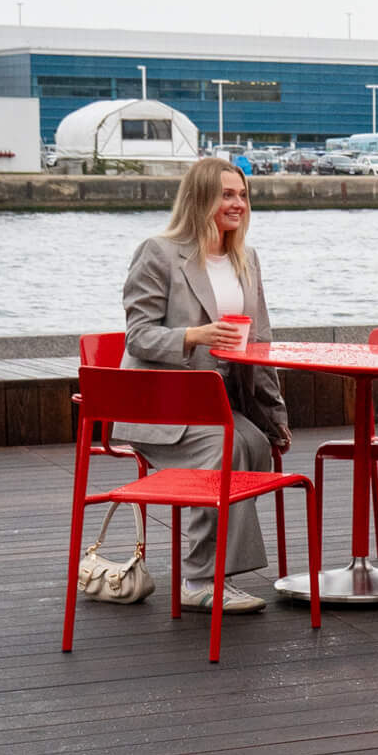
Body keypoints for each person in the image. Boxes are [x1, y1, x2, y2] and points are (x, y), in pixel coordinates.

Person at [117, 157, 292, 614]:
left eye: (242, 195)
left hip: (216, 407)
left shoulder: (245, 258)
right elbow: (138, 335)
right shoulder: (159, 252)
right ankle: (200, 578)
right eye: (226, 195)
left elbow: (260, 344)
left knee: (252, 443)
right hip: (161, 406)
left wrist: (275, 418)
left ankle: (216, 573)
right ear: (201, 199)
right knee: (228, 447)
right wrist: (196, 336)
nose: (237, 204)